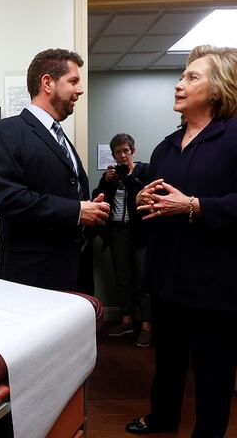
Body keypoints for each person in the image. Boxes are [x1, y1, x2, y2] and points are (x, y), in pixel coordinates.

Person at [125, 45, 237, 437]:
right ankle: (163, 419)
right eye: (181, 76)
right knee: (168, 363)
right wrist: (144, 200)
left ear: (217, 88)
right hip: (168, 280)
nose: (178, 84)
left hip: (220, 284)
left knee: (214, 373)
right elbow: (158, 207)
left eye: (192, 77)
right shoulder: (164, 147)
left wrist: (192, 206)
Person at [0, 48, 110, 292]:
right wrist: (76, 211)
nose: (80, 90)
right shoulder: (5, 132)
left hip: (73, 270)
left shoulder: (61, 138)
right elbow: (6, 199)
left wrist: (91, 209)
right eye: (73, 81)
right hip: (34, 275)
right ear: (47, 83)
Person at [92, 133, 152, 347]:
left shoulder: (144, 170)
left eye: (125, 151)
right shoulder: (111, 176)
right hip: (117, 232)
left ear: (132, 151)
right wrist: (105, 182)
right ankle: (126, 320)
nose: (122, 155)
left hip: (140, 232)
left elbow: (145, 195)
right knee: (122, 278)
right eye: (117, 152)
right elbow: (97, 198)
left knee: (143, 279)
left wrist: (126, 178)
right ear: (113, 155)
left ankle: (146, 325)